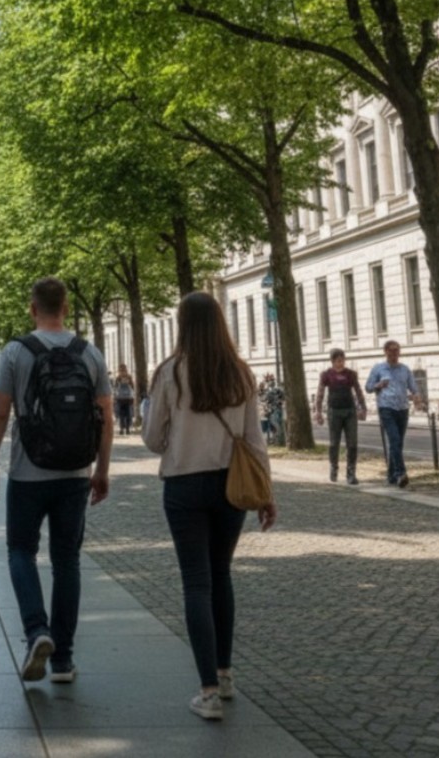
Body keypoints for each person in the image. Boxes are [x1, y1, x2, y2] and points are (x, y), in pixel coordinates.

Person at [142, 292, 277, 721]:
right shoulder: (239, 372)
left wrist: (176, 435)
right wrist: (267, 492)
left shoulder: (171, 372)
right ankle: (225, 672)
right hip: (230, 486)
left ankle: (207, 691)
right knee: (221, 576)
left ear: (182, 325)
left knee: (196, 583)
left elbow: (151, 439)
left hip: (183, 485)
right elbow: (254, 439)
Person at [0, 277, 113, 684]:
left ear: (31, 307)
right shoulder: (89, 352)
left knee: (21, 551)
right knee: (67, 561)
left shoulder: (16, 351)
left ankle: (37, 631)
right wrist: (102, 470)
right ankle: (63, 660)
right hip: (75, 472)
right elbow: (105, 418)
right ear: (68, 307)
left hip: (27, 471)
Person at [365, 340, 420, 488]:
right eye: (391, 351)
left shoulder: (405, 369)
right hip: (386, 408)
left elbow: (414, 388)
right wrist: (379, 385)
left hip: (402, 409)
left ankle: (391, 476)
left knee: (397, 444)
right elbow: (368, 387)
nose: (394, 354)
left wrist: (416, 398)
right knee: (394, 440)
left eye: (397, 351)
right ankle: (401, 473)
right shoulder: (378, 369)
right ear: (386, 352)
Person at [312, 349, 368, 485]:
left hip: (350, 411)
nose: (340, 363)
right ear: (332, 361)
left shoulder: (350, 374)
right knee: (334, 443)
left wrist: (363, 408)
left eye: (342, 360)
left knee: (352, 443)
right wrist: (318, 411)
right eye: (337, 361)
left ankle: (351, 473)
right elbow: (320, 393)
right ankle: (334, 468)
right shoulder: (326, 375)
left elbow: (358, 391)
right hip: (334, 412)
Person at [112, 364, 136, 435]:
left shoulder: (118, 378)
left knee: (122, 414)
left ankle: (123, 429)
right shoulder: (128, 377)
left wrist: (114, 397)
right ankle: (126, 429)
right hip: (127, 398)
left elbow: (115, 388)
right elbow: (132, 387)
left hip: (121, 398)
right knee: (127, 414)